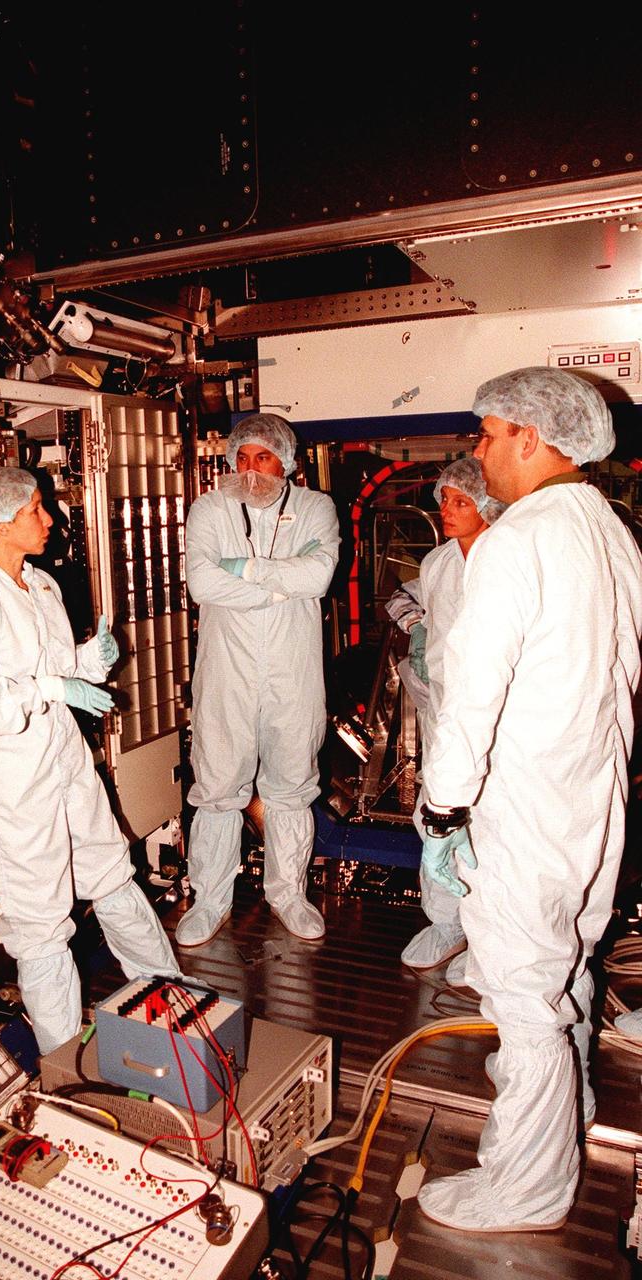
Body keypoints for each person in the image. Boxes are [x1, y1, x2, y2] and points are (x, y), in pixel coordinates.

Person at [414, 367, 642, 1233]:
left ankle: (528, 1186)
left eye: (487, 432)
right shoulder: (610, 534)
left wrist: (444, 806)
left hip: (527, 805)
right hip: (590, 801)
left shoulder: (519, 541)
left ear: (531, 440)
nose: (478, 451)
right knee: (564, 971)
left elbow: (474, 693)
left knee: (523, 998)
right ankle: (563, 1120)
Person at [0, 467, 179, 1054]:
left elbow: (58, 671)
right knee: (42, 924)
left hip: (66, 759)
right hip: (17, 780)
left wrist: (90, 660)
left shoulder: (40, 584)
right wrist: (50, 687)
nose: (50, 520)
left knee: (113, 876)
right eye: (36, 511)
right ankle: (66, 1059)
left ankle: (175, 1000)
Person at [177, 414, 340, 947]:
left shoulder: (316, 508)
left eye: (262, 458)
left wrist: (242, 570)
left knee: (292, 784)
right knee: (219, 787)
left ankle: (288, 894)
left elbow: (319, 576)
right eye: (241, 458)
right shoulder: (209, 509)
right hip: (228, 673)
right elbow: (201, 582)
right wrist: (280, 586)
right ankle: (210, 899)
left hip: (293, 674)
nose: (250, 470)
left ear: (286, 462)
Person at [386, 459, 504, 982]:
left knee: (495, 827)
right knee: (434, 816)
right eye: (444, 500)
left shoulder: (508, 558)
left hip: (498, 720)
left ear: (488, 504)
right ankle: (447, 921)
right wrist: (415, 627)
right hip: (443, 711)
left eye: (461, 501)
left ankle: (493, 938)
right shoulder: (437, 562)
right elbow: (402, 596)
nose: (448, 511)